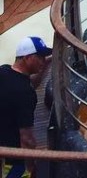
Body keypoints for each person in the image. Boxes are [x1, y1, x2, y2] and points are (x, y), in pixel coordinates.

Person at [1, 36, 52, 178]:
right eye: (40, 57)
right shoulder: (25, 94)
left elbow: (29, 82)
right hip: (12, 159)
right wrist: (30, 167)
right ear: (27, 58)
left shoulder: (4, 71)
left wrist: (46, 62)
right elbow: (27, 139)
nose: (43, 60)